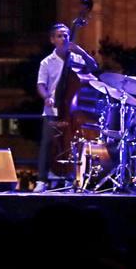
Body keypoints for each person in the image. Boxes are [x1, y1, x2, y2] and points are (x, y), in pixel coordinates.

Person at [34, 22, 98, 191]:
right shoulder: (47, 62)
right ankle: (42, 179)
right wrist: (47, 97)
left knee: (72, 143)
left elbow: (94, 67)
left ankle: (71, 177)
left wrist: (82, 52)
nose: (63, 38)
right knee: (48, 143)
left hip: (71, 110)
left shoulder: (76, 58)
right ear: (52, 39)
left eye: (66, 35)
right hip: (53, 108)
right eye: (59, 36)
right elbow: (41, 85)